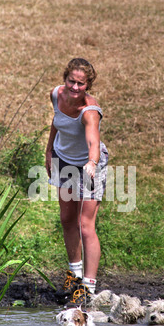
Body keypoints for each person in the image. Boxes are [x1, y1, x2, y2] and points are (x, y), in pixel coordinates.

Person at [45, 58, 108, 305]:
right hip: (63, 159)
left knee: (85, 225)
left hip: (88, 165)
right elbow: (56, 121)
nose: (74, 87)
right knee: (67, 219)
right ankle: (75, 276)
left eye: (80, 83)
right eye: (71, 81)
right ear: (65, 79)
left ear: (88, 85)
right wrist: (49, 151)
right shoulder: (56, 94)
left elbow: (93, 141)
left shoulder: (89, 111)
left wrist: (92, 163)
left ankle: (89, 287)